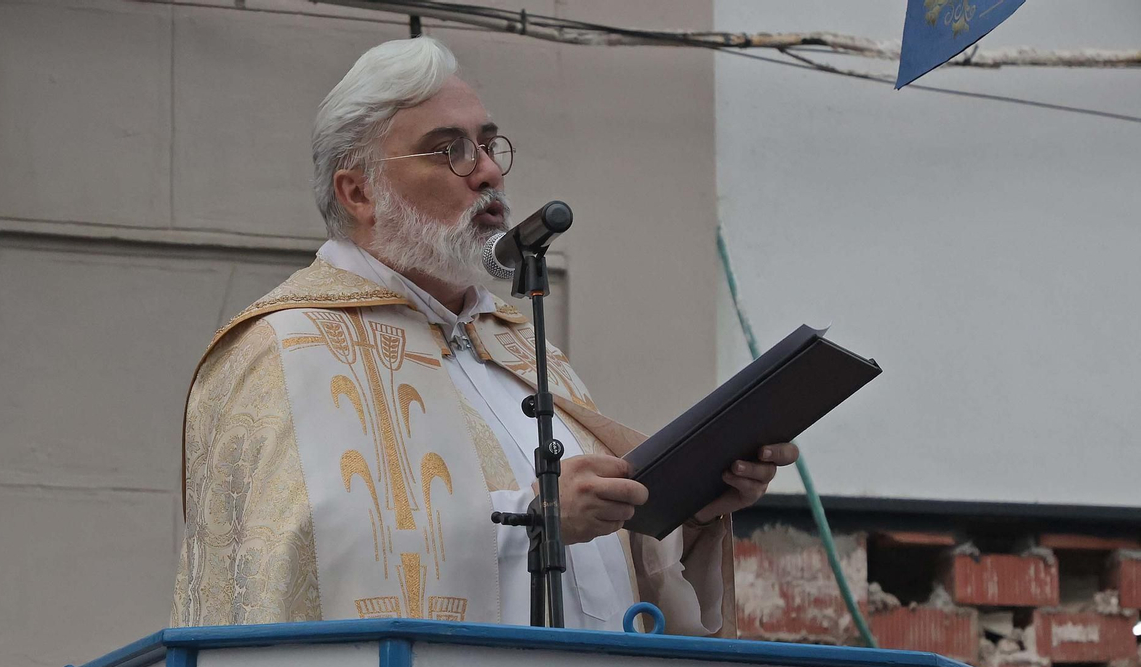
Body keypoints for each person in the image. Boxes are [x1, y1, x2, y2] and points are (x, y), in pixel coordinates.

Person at [171, 36, 797, 633]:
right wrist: (530, 522)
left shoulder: (519, 343)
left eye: (490, 146)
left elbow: (605, 565)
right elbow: (303, 565)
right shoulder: (285, 345)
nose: (488, 175)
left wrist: (690, 506)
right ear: (358, 191)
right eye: (450, 150)